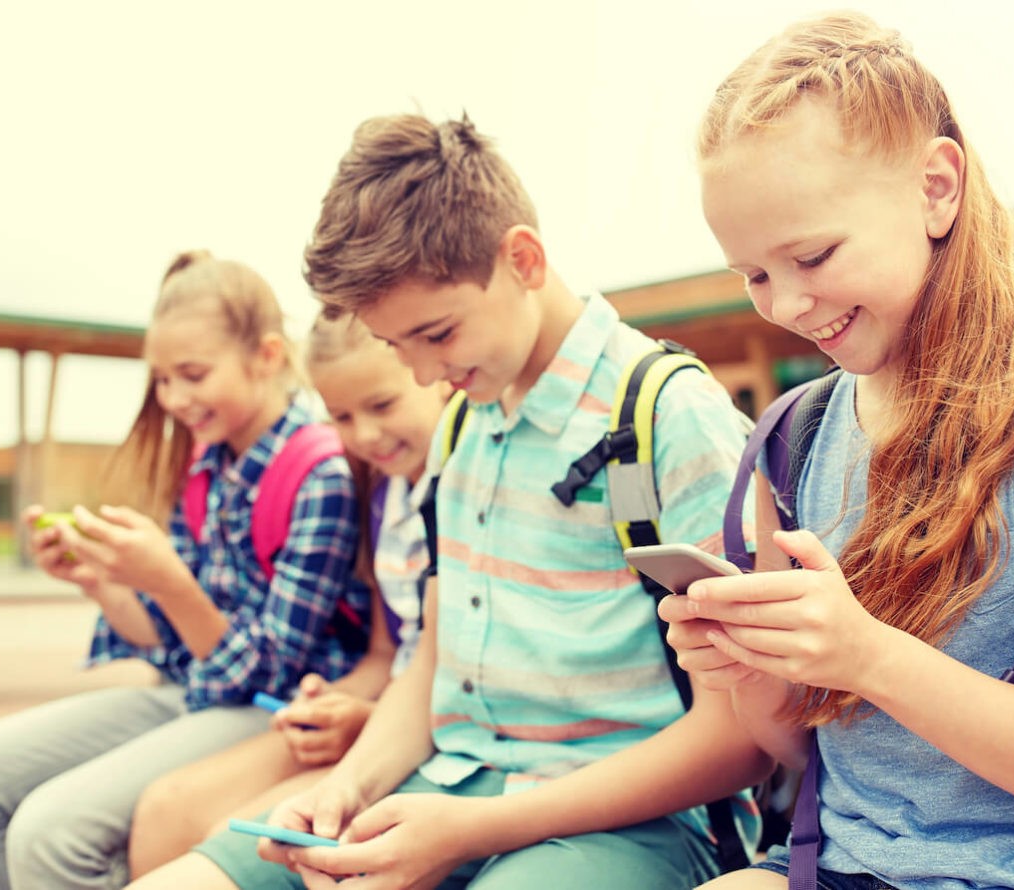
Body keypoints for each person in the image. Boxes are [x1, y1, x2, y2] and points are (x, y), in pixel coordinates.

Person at [659, 12, 1014, 890]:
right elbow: (799, 752)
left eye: (812, 254)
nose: (788, 305)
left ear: (937, 187)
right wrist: (757, 674)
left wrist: (867, 654)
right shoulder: (791, 441)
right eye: (755, 275)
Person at [229, 112, 773, 890]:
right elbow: (434, 660)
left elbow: (742, 740)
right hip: (446, 787)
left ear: (522, 259)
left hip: (632, 825)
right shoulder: (461, 421)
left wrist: (468, 832)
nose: (421, 375)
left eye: (438, 333)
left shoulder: (666, 415)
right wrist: (344, 791)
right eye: (395, 347)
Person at [0, 250, 368, 890]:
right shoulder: (203, 468)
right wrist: (101, 581)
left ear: (267, 357)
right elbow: (164, 640)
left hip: (274, 708)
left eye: (192, 374)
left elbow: (269, 670)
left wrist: (168, 579)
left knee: (50, 833)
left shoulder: (319, 474)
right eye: (163, 380)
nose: (174, 398)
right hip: (189, 691)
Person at [125, 308, 451, 881]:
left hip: (428, 730)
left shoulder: (455, 490)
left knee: (228, 833)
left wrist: (367, 717)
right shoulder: (381, 493)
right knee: (165, 810)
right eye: (342, 417)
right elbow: (384, 654)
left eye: (382, 405)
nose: (363, 435)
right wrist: (333, 702)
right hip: (380, 715)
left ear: (437, 374)